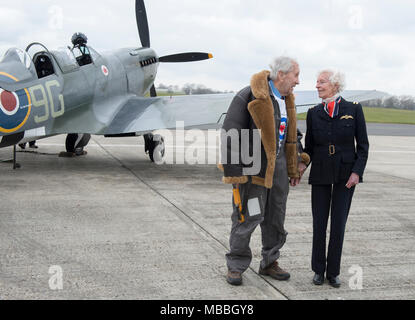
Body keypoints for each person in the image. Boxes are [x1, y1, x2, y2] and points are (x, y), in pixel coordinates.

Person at [219, 56, 310, 286]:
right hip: (253, 169)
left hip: (279, 168)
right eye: (296, 75)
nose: (298, 81)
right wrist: (235, 172)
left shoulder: (287, 100)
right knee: (248, 216)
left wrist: (297, 162)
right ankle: (236, 265)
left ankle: (270, 262)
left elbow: (292, 136)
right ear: (281, 75)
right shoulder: (249, 95)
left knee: (275, 217)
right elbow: (230, 133)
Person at [301, 69, 369, 288]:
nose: (317, 86)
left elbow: (363, 146)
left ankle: (333, 272)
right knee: (319, 223)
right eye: (317, 82)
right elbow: (309, 147)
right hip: (320, 171)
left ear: (335, 85)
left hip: (345, 174)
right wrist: (301, 166)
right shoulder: (313, 113)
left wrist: (357, 172)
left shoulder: (354, 109)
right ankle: (318, 270)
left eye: (321, 82)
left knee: (338, 224)